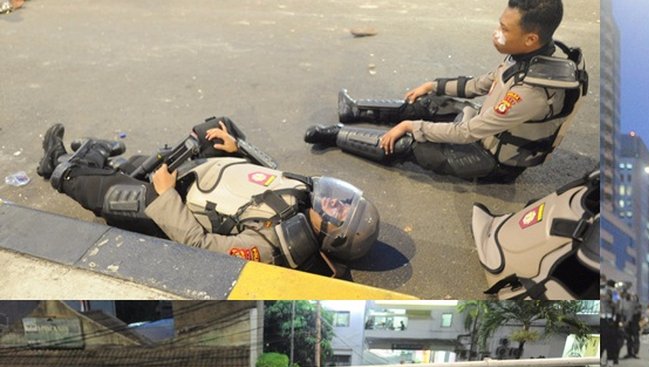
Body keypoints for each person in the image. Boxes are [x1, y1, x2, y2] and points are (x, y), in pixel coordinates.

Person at [39, 119, 379, 271]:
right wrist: (237, 149)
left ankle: (61, 164)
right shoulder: (305, 193)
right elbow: (267, 175)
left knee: (107, 192)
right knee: (218, 125)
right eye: (343, 200)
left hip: (177, 203)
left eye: (339, 211)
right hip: (204, 176)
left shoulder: (271, 246)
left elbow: (200, 246)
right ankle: (105, 159)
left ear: (332, 237)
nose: (335, 201)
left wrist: (166, 195)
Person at [304, 0, 586, 183]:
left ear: (531, 38)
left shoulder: (531, 94)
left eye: (503, 29)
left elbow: (469, 132)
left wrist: (410, 127)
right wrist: (433, 85)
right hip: (487, 129)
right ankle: (355, 110)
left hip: (492, 158)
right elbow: (483, 83)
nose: (496, 33)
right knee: (429, 103)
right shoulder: (533, 55)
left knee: (412, 144)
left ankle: (334, 135)